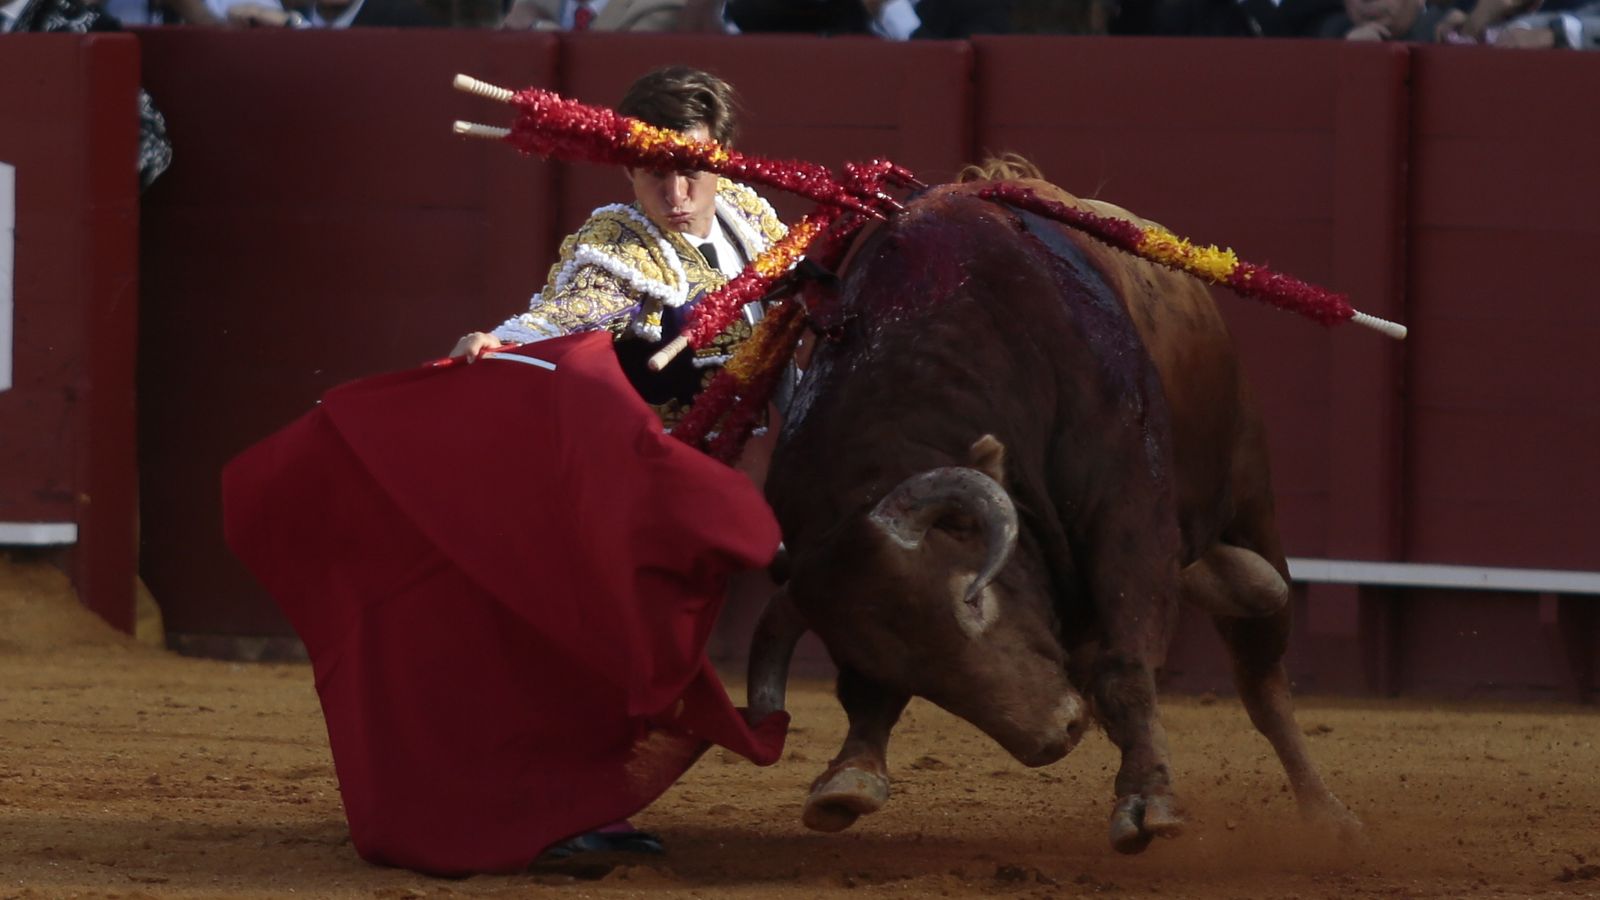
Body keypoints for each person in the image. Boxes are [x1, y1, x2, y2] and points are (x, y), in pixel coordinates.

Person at [450, 65, 788, 430]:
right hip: (668, 457)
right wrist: (501, 341)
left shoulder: (744, 214)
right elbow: (573, 311)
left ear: (722, 159)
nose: (676, 195)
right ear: (629, 169)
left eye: (692, 169)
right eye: (656, 173)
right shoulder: (620, 249)